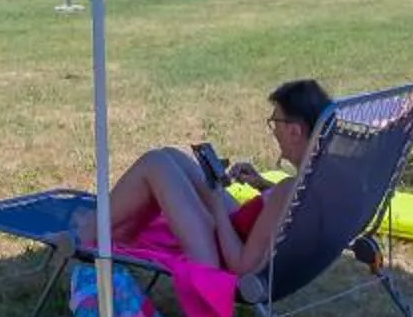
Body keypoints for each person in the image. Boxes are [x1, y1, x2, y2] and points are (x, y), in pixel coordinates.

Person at [77, 78, 333, 277]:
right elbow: (281, 211)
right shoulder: (320, 179)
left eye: (275, 121)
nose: (273, 129)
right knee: (172, 157)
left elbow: (241, 266)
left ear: (294, 131)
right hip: (241, 229)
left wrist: (217, 204)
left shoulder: (287, 192)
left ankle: (85, 232)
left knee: (155, 163)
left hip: (218, 258)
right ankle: (118, 227)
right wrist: (262, 186)